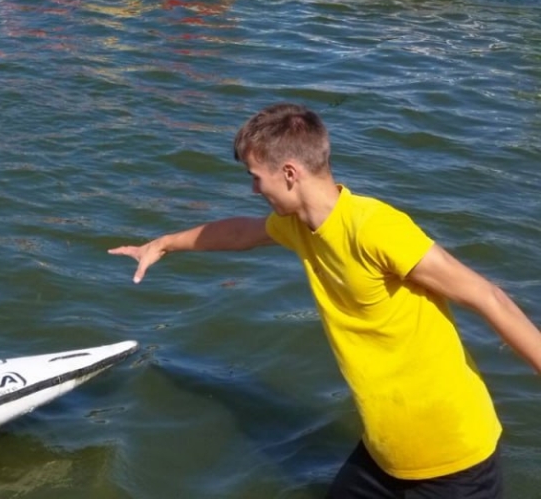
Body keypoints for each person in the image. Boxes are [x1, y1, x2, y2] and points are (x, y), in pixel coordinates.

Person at [111, 102, 541, 498]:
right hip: (384, 454)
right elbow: (241, 233)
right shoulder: (299, 226)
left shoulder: (375, 228)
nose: (254, 189)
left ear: (290, 173)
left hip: (454, 462)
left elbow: (489, 297)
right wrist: (164, 244)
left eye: (256, 177)